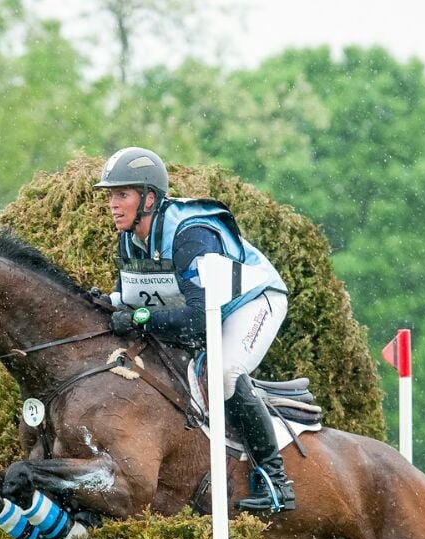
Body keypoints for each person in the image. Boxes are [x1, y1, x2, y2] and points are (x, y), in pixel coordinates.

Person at [94, 146, 294, 513]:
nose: (113, 204)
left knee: (222, 373)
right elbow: (139, 297)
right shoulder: (130, 236)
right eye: (111, 195)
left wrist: (138, 318)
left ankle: (275, 478)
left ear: (149, 198)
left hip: (253, 302)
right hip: (206, 307)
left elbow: (200, 322)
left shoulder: (191, 234)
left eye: (122, 194)